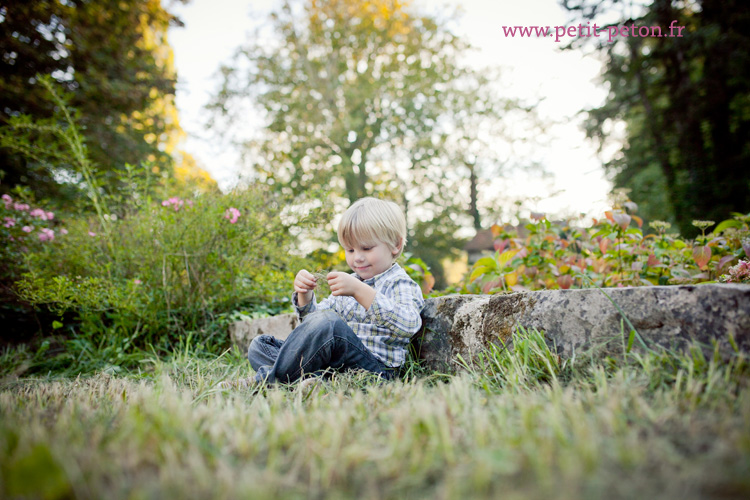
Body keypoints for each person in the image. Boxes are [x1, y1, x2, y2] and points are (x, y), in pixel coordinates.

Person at [218, 197, 425, 390]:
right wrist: (304, 295)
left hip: (375, 369)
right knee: (260, 345)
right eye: (350, 250)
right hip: (336, 366)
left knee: (330, 323)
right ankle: (316, 382)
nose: (357, 258)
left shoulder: (400, 283)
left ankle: (264, 382)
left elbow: (409, 325)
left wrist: (360, 291)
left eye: (366, 248)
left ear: (396, 245)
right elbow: (314, 327)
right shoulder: (350, 281)